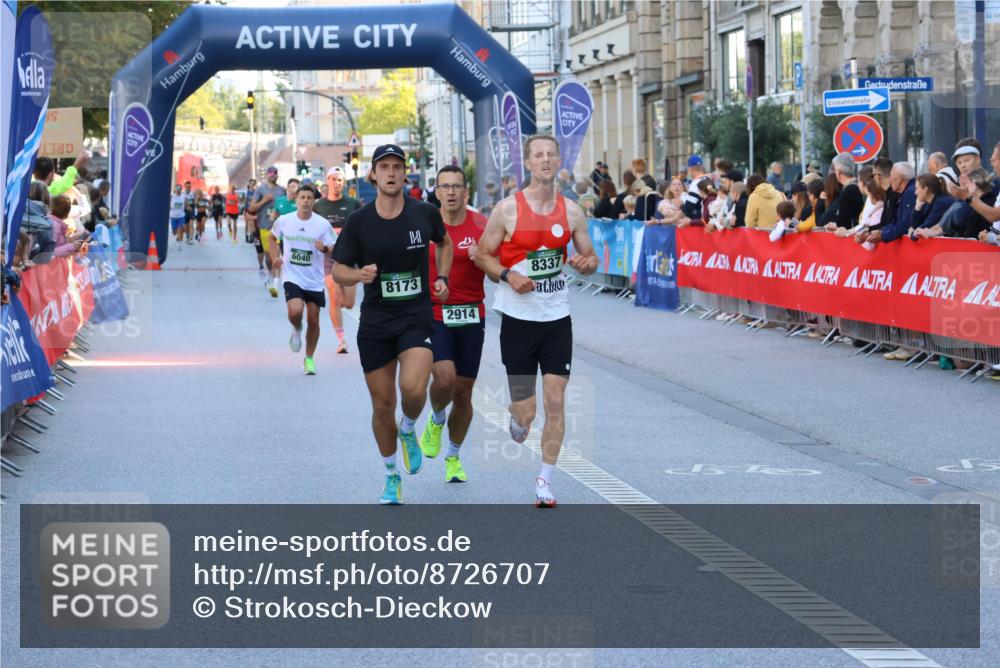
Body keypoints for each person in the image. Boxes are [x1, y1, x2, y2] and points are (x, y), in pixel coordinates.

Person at [474, 134, 600, 508]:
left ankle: (545, 480)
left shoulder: (572, 212)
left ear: (559, 160)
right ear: (527, 163)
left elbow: (591, 258)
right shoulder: (507, 210)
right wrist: (509, 275)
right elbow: (482, 255)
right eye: (538, 155)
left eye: (551, 154)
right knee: (527, 411)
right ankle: (519, 416)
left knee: (556, 400)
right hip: (517, 318)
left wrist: (585, 263)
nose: (545, 160)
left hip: (557, 317)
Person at [332, 144, 454, 505]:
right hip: (375, 322)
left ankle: (409, 427)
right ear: (373, 174)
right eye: (383, 167)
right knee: (382, 405)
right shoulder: (359, 220)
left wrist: (442, 276)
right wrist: (358, 274)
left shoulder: (424, 213)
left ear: (404, 174)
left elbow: (444, 243)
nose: (390, 173)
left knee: (414, 390)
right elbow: (338, 270)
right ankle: (390, 476)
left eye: (396, 167)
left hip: (414, 317)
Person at [418, 165, 493, 484]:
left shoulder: (483, 225)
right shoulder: (422, 224)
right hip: (434, 314)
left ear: (466, 192)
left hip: (471, 314)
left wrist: (482, 259)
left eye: (456, 187)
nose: (450, 192)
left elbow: (495, 274)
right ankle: (435, 419)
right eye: (444, 186)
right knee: (444, 377)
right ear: (436, 192)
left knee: (463, 393)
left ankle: (453, 456)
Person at [269, 184, 335, 375]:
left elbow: (335, 247)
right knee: (295, 311)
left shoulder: (322, 224)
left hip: (314, 280)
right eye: (302, 197)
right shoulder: (284, 221)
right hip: (292, 276)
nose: (306, 201)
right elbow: (273, 239)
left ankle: (308, 359)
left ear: (314, 201)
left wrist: (324, 249)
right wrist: (275, 258)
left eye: (309, 198)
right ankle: (296, 327)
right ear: (296, 200)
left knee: (313, 320)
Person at [313, 166, 361, 353]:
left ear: (344, 183)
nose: (336, 183)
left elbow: (361, 228)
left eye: (340, 180)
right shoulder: (319, 206)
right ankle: (341, 340)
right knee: (334, 295)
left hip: (349, 257)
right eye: (333, 179)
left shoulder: (353, 204)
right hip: (327, 257)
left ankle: (339, 308)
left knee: (348, 303)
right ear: (328, 181)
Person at [248, 166, 287, 296]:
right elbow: (252, 208)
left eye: (275, 172)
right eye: (270, 172)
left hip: (281, 228)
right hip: (265, 227)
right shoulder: (260, 190)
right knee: (269, 258)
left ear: (277, 175)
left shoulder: (282, 190)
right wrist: (264, 200)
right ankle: (271, 277)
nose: (273, 175)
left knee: (278, 256)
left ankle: (275, 282)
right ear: (266, 175)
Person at [822, 153, 864, 230]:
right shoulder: (854, 187)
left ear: (838, 171)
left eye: (834, 169)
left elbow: (844, 221)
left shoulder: (849, 190)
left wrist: (836, 227)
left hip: (850, 238)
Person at [910, 173, 957, 239]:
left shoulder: (941, 203)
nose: (915, 192)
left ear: (925, 189)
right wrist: (917, 207)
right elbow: (914, 225)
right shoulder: (927, 203)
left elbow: (926, 227)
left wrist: (912, 233)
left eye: (917, 188)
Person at [169, 184, 187, 248]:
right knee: (174, 232)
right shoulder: (172, 196)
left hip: (181, 216)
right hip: (173, 216)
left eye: (179, 190)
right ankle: (178, 236)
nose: (178, 191)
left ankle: (179, 243)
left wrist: (188, 207)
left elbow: (186, 204)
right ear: (175, 190)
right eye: (177, 190)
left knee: (180, 229)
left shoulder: (183, 196)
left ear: (181, 190)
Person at [243, 178, 258, 243]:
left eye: (253, 183)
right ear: (249, 184)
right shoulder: (246, 192)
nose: (252, 184)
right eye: (251, 183)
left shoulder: (256, 192)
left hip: (254, 209)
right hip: (247, 209)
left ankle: (252, 236)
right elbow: (243, 200)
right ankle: (246, 236)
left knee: (253, 224)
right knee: (247, 224)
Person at [182, 180, 196, 244]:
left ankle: (191, 239)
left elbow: (194, 203)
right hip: (184, 212)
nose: (188, 188)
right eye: (187, 187)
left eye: (189, 187)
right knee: (186, 226)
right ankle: (187, 236)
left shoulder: (192, 194)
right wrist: (186, 205)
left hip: (191, 212)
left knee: (191, 224)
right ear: (185, 187)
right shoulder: (182, 194)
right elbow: (182, 203)